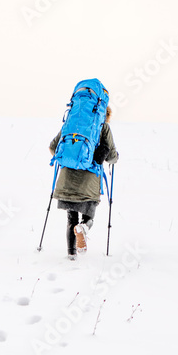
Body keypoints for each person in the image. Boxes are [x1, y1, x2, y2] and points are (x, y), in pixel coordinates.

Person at [49, 105, 119, 259]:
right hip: (90, 181)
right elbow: (112, 157)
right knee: (88, 216)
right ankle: (84, 227)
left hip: (67, 178)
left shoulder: (71, 124)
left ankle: (71, 256)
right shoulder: (103, 127)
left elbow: (53, 147)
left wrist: (71, 157)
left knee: (71, 217)